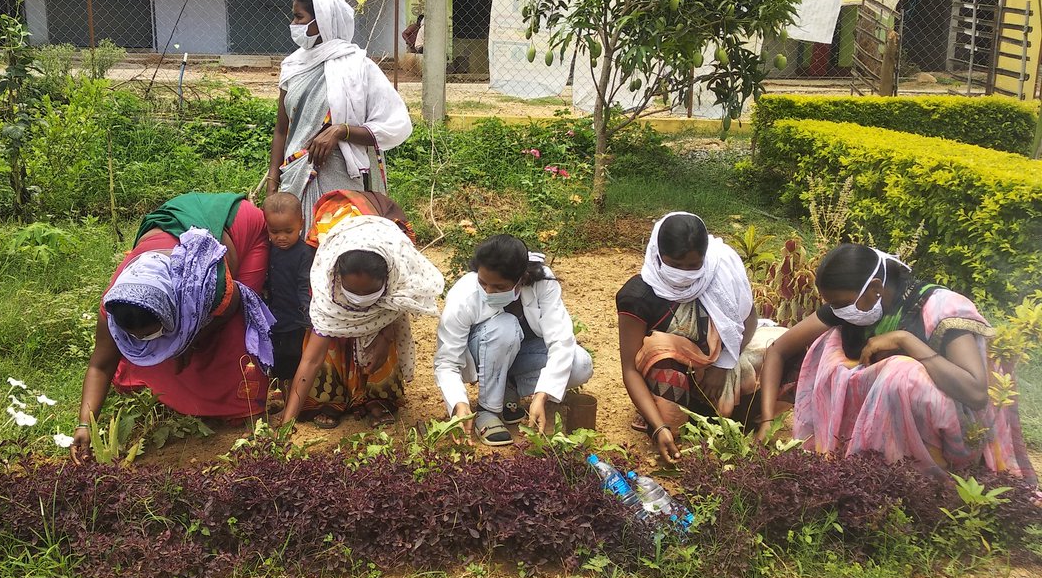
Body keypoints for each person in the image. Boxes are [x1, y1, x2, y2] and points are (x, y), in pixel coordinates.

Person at [757, 244, 1036, 482]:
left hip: (956, 436)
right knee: (829, 349)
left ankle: (922, 481)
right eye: (834, 305)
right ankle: (863, 468)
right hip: (874, 434)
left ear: (875, 288)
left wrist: (906, 341)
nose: (838, 311)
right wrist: (768, 421)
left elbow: (975, 393)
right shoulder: (852, 308)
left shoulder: (941, 308)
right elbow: (778, 351)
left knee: (899, 373)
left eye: (842, 303)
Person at [73, 193, 274, 459]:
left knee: (234, 333)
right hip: (172, 230)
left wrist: (190, 343)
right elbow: (100, 364)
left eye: (154, 334)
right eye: (137, 338)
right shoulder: (115, 303)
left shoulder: (205, 284)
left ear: (175, 306)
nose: (148, 341)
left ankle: (237, 406)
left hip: (241, 226)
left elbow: (233, 305)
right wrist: (85, 425)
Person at [276, 190, 444, 430]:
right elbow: (311, 360)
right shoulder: (327, 286)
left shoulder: (401, 270)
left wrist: (385, 337)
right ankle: (332, 399)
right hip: (338, 222)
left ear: (388, 281)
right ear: (338, 280)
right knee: (329, 344)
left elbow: (394, 307)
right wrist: (287, 420)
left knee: (381, 341)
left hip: (379, 233)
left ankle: (376, 398)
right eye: (354, 293)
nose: (361, 303)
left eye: (370, 294)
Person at [616, 212, 768, 465]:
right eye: (675, 264)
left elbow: (748, 320)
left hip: (722, 368)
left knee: (784, 354)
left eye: (693, 266)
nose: (685, 273)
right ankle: (662, 419)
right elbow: (630, 369)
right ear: (658, 256)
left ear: (705, 259)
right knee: (662, 351)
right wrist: (658, 428)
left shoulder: (720, 275)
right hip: (673, 378)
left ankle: (736, 418)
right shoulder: (638, 296)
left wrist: (723, 365)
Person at [267, 0, 413, 230]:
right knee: (297, 247)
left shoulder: (358, 67)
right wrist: (273, 178)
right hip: (296, 176)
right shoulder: (292, 66)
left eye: (299, 17)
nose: (294, 23)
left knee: (340, 248)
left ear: (321, 21)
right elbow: (282, 129)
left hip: (343, 178)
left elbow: (394, 126)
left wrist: (340, 131)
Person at [434, 234, 593, 445]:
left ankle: (508, 390)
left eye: (499, 287)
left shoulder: (542, 283)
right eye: (483, 283)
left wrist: (542, 395)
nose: (488, 291)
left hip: (522, 355)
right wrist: (459, 403)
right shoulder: (464, 296)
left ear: (522, 279)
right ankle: (488, 409)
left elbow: (560, 339)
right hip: (482, 351)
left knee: (580, 364)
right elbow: (446, 362)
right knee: (504, 326)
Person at [263, 192, 314, 413]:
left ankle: (297, 405)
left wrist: (309, 318)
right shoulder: (268, 249)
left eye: (288, 231)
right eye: (274, 232)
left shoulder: (304, 253)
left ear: (301, 224)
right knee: (279, 363)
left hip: (296, 320)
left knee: (295, 361)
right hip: (275, 319)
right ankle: (284, 399)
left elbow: (305, 285)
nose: (281, 237)